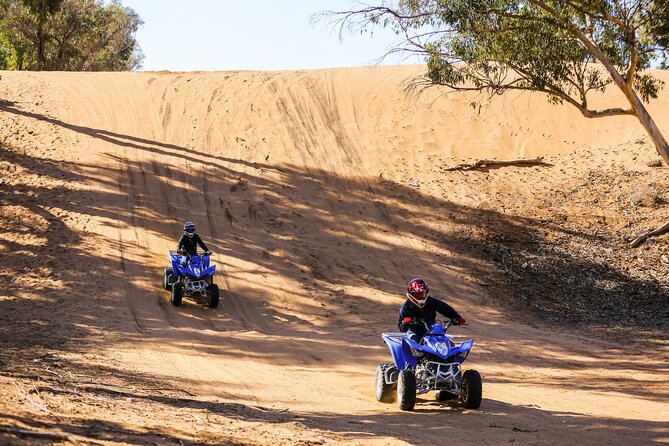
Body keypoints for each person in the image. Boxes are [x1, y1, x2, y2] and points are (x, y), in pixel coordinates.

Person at [397, 278, 466, 343]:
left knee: (449, 344)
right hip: (415, 333)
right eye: (417, 295)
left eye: (422, 294)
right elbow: (401, 328)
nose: (421, 297)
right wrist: (405, 323)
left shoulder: (431, 301)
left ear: (426, 292)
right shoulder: (406, 307)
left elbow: (445, 309)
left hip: (433, 332)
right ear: (411, 294)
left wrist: (457, 318)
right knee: (414, 344)